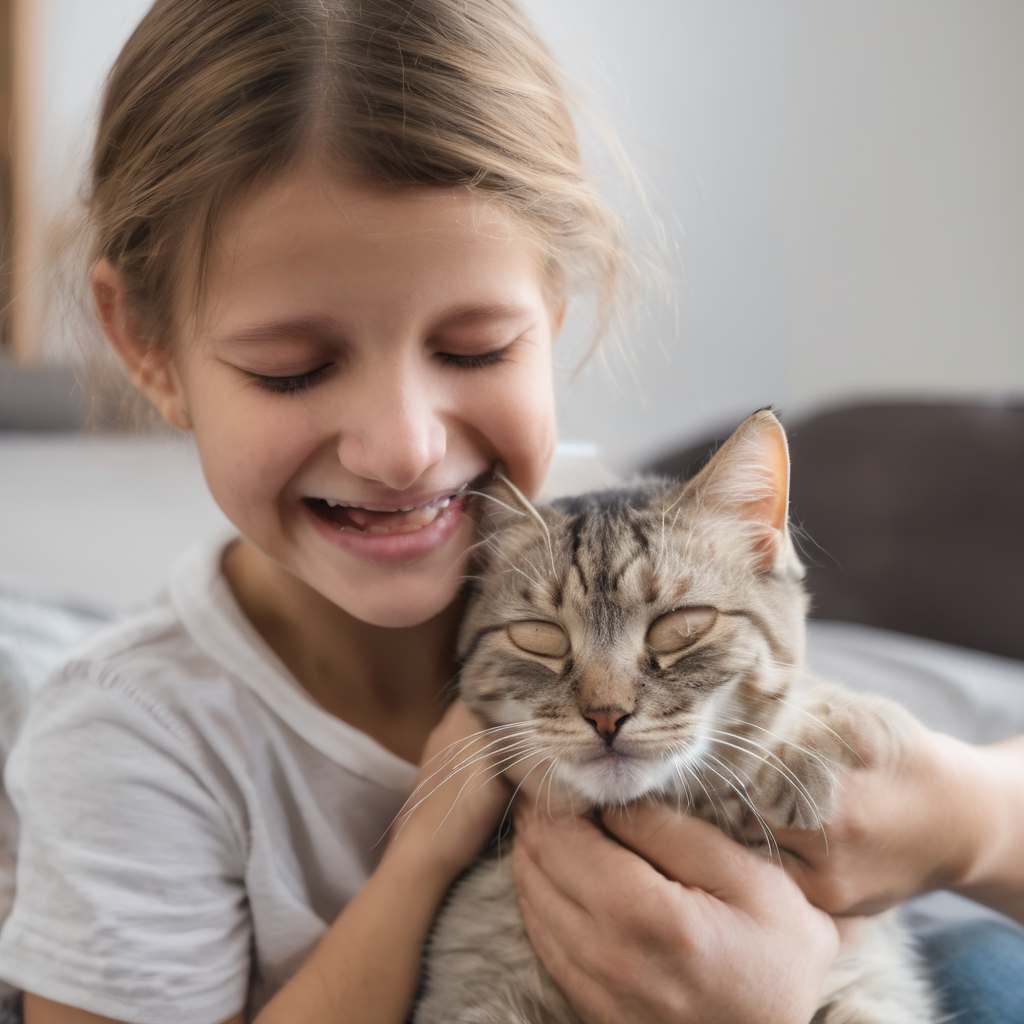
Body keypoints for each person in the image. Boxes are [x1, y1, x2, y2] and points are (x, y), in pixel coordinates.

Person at [0, 2, 1022, 1023]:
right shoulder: (128, 736)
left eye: (474, 348)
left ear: (555, 317)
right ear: (144, 347)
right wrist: (425, 854)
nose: (401, 448)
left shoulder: (626, 569)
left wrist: (966, 824)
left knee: (983, 970)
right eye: (293, 368)